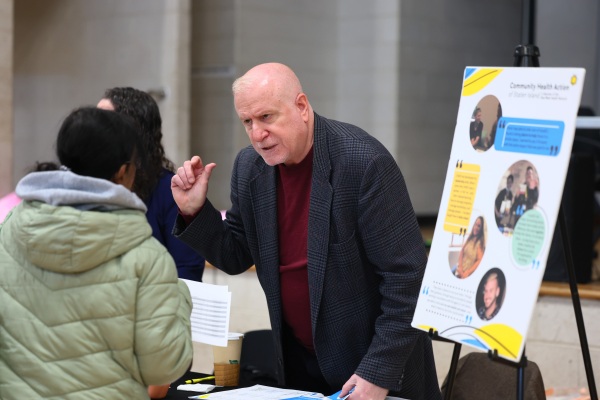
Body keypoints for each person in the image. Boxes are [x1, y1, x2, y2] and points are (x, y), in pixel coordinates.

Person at [170, 63, 441, 400]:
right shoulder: (249, 167)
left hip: (372, 374)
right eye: (247, 122)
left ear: (301, 107)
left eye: (267, 117)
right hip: (299, 371)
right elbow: (236, 253)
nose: (256, 134)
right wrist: (194, 210)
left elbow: (408, 281)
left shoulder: (362, 162)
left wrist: (377, 371)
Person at [0, 107, 193, 398]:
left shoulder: (10, 231)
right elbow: (163, 368)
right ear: (124, 172)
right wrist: (179, 298)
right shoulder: (146, 256)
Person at [98, 87, 205, 281]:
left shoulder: (168, 191)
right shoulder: (88, 183)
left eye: (103, 121)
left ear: (132, 131)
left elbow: (187, 271)